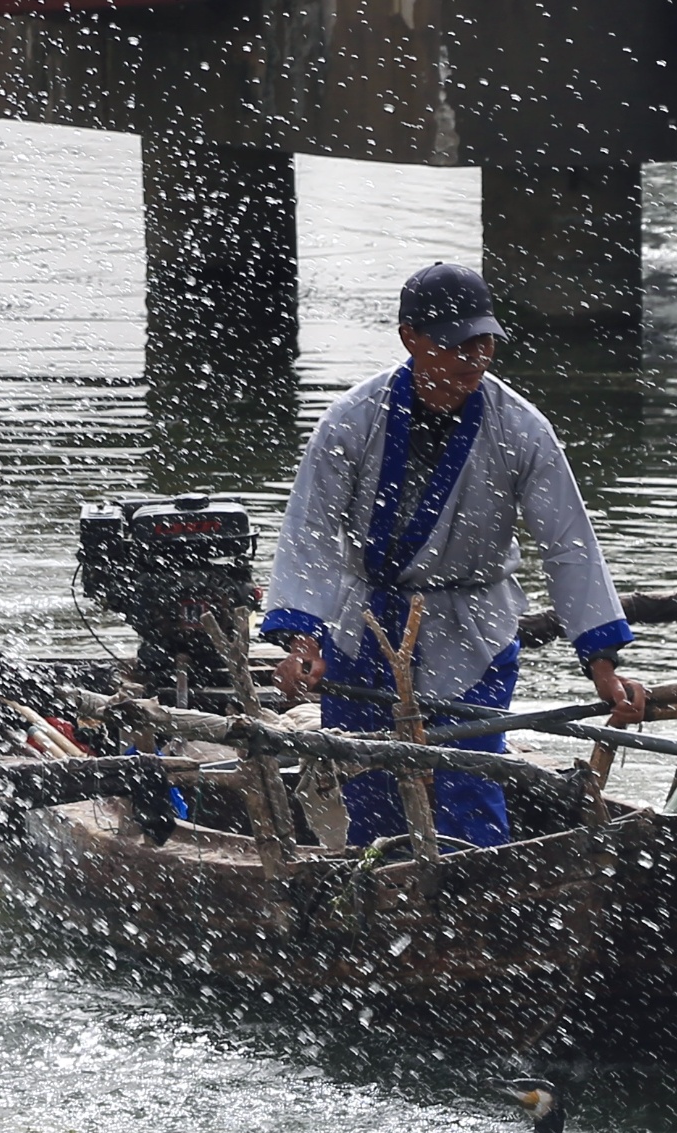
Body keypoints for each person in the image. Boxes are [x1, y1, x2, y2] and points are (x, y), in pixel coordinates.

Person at [258, 262, 647, 849]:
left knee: (469, 776)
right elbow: (310, 533)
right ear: (410, 338)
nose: (473, 358)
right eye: (456, 344)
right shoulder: (351, 421)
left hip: (471, 625)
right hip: (363, 625)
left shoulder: (521, 429)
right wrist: (301, 639)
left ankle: (484, 903)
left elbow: (568, 544)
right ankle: (381, 894)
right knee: (369, 780)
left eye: (483, 343)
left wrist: (602, 660)